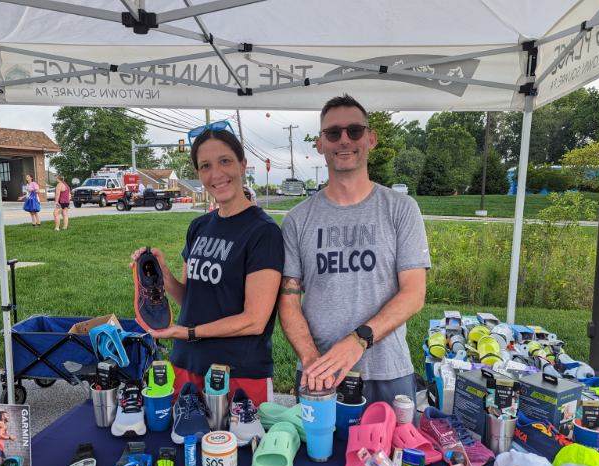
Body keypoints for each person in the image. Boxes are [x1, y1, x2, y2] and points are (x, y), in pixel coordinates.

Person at [278, 95, 430, 404]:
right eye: (333, 133)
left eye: (355, 131)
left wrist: (359, 340)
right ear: (320, 143)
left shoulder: (402, 209)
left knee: (393, 453)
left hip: (387, 372)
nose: (344, 140)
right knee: (316, 453)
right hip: (318, 374)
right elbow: (289, 299)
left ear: (371, 139)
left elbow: (414, 293)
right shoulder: (296, 220)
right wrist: (311, 360)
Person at [131, 124, 284, 405]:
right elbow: (190, 298)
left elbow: (254, 320)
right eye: (205, 166)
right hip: (187, 363)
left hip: (238, 372)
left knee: (237, 448)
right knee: (181, 447)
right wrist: (163, 274)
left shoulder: (263, 232)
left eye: (225, 161)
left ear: (242, 165)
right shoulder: (199, 226)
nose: (216, 174)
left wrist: (187, 333)